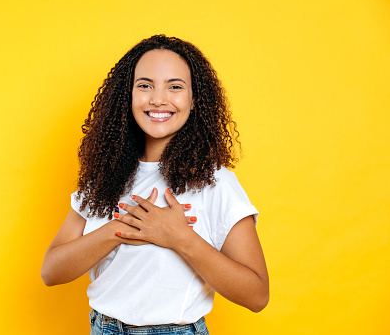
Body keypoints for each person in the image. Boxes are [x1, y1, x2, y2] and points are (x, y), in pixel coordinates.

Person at [41, 34, 269, 335]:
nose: (158, 98)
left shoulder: (214, 182)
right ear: (128, 96)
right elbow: (51, 271)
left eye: (175, 86)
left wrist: (179, 237)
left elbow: (257, 295)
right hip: (103, 328)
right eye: (145, 85)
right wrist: (118, 230)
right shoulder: (107, 178)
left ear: (194, 100)